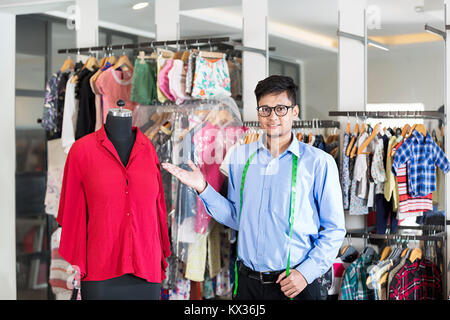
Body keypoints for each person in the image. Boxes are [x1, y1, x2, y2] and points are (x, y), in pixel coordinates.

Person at [162, 75, 345, 300]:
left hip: (294, 285)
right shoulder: (241, 157)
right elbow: (237, 217)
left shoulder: (318, 162)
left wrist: (305, 274)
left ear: (295, 112)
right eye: (265, 109)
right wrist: (203, 188)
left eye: (281, 109)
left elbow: (334, 230)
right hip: (248, 286)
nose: (272, 116)